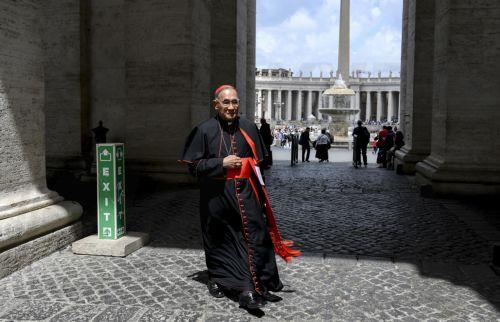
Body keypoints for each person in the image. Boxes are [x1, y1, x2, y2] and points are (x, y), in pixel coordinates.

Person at [180, 85, 300, 310]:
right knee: (219, 239)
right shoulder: (204, 130)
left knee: (252, 235)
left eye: (234, 102)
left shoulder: (248, 127)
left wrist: (261, 194)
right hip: (216, 197)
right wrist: (220, 163)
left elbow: (260, 164)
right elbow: (193, 166)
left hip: (247, 194)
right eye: (226, 103)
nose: (231, 107)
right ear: (216, 104)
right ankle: (218, 278)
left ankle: (250, 286)